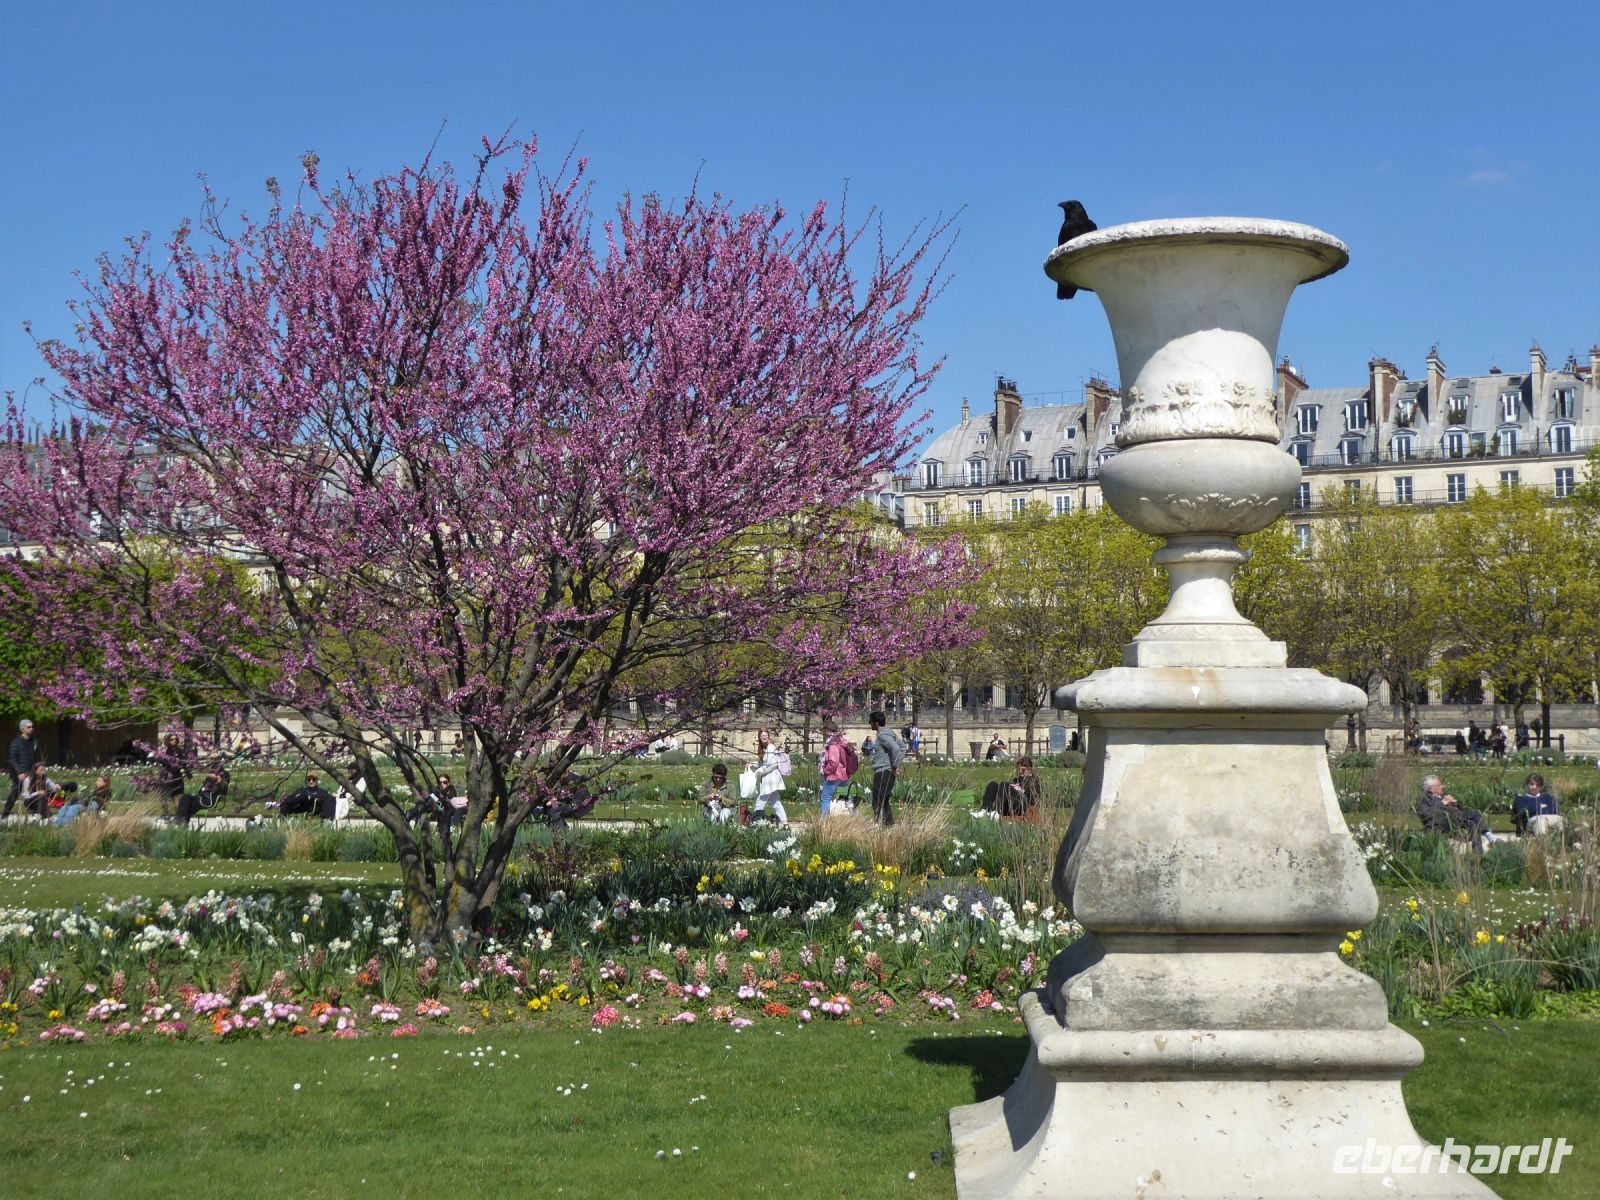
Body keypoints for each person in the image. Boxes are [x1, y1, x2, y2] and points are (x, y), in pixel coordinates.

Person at [1416, 774, 1490, 852]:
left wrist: (1454, 804)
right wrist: (1442, 803)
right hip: (1438, 825)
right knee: (1467, 816)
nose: (1442, 786)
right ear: (1431, 788)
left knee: (1473, 819)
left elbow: (1459, 809)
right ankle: (1489, 836)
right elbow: (1426, 814)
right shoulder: (1423, 799)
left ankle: (1479, 852)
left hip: (1454, 821)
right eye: (1439, 785)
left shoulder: (1443, 796)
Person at [867, 711, 905, 827]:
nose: (870, 724)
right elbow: (903, 747)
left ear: (876, 723)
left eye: (871, 722)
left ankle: (879, 825)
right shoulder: (889, 733)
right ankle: (889, 826)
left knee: (877, 801)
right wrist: (895, 764)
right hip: (886, 772)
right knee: (884, 801)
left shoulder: (883, 735)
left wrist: (894, 766)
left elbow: (896, 749)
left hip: (883, 772)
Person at [3, 717, 40, 818]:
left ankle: (35, 814)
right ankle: (5, 815)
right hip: (19, 774)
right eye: (28, 727)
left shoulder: (34, 742)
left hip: (31, 773)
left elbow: (37, 758)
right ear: (22, 729)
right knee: (15, 793)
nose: (31, 728)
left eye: (32, 727)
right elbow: (13, 758)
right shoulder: (16, 742)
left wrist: (39, 767)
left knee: (32, 793)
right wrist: (19, 772)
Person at [751, 729, 789, 826]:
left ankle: (754, 822)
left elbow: (772, 765)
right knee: (775, 802)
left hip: (770, 779)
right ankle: (785, 823)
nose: (764, 737)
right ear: (759, 737)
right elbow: (763, 763)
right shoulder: (764, 747)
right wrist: (752, 765)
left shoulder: (771, 747)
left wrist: (758, 772)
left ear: (768, 736)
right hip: (769, 779)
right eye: (762, 735)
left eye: (766, 735)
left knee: (760, 801)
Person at [819, 727, 858, 817]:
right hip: (843, 775)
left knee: (826, 798)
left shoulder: (833, 745)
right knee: (845, 798)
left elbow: (834, 762)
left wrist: (825, 770)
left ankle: (824, 822)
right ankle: (849, 817)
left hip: (833, 776)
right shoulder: (843, 743)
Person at [154, 733, 189, 819]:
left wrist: (188, 774)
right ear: (168, 740)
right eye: (172, 739)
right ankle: (176, 815)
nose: (174, 741)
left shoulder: (171, 751)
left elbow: (183, 763)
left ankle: (167, 814)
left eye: (175, 739)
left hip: (169, 775)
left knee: (164, 795)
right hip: (175, 775)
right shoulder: (171, 750)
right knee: (173, 796)